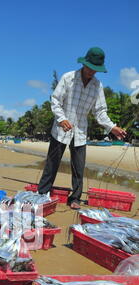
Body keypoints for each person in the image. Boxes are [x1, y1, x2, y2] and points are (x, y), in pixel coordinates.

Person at [37, 47, 127, 210]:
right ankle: (42, 194)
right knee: (52, 164)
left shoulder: (97, 86)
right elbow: (55, 101)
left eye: (95, 69)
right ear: (84, 63)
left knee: (79, 167)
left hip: (80, 132)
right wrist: (62, 118)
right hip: (60, 130)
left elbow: (100, 111)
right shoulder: (68, 78)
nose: (92, 71)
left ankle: (75, 198)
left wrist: (112, 127)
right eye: (90, 67)